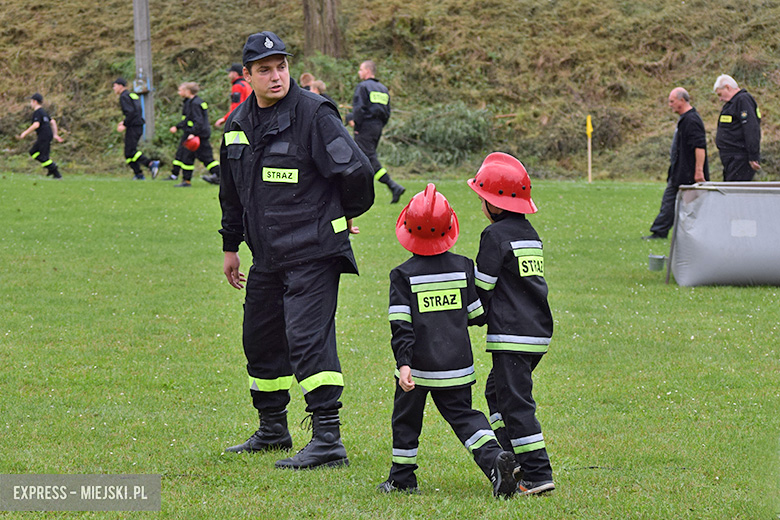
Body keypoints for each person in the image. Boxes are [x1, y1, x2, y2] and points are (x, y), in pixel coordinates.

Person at [219, 31, 375, 470]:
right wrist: (231, 246)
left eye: (281, 66)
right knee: (261, 340)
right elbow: (231, 194)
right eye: (265, 69)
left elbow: (357, 173)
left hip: (314, 251)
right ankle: (273, 430)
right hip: (265, 256)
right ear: (247, 75)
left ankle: (328, 439)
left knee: (308, 340)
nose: (276, 76)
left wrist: (337, 217)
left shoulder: (313, 113)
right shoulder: (236, 126)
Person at [379, 183, 517, 498]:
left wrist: (403, 363)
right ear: (450, 227)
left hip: (417, 368)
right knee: (465, 417)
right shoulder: (463, 267)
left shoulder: (402, 275)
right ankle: (496, 460)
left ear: (407, 229)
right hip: (457, 367)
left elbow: (401, 324)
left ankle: (402, 479)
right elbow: (476, 314)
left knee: (406, 420)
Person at [468, 152, 555, 496]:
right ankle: (512, 457)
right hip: (536, 332)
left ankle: (536, 473)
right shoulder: (529, 233)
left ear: (494, 203)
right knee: (497, 392)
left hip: (512, 335)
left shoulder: (494, 235)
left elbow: (483, 288)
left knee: (516, 403)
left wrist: (469, 316)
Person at [643, 87, 709, 240]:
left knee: (690, 207)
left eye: (672, 101)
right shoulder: (685, 119)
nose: (669, 105)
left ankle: (665, 232)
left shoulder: (692, 120)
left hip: (689, 173)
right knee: (669, 202)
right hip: (679, 171)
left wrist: (699, 171)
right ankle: (660, 231)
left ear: (682, 100)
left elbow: (700, 147)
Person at [347, 60, 405, 203]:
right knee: (365, 158)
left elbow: (359, 109)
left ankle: (392, 186)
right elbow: (387, 112)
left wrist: (356, 124)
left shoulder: (363, 87)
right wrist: (379, 125)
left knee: (367, 158)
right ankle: (361, 191)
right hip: (377, 127)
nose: (359, 72)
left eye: (361, 69)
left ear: (367, 71)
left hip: (365, 127)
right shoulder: (383, 89)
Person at [166, 82, 221, 187]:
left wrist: (193, 133)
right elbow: (189, 119)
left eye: (181, 90)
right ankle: (186, 181)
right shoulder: (193, 102)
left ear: (188, 91)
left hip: (199, 136)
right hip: (198, 134)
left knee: (207, 159)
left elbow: (198, 122)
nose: (179, 92)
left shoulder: (195, 103)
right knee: (188, 157)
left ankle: (222, 176)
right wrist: (178, 127)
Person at [713, 74, 761, 182]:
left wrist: (753, 155)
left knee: (734, 194)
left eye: (720, 94)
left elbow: (751, 128)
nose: (720, 99)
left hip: (740, 158)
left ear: (728, 87)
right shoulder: (731, 104)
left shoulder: (743, 100)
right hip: (731, 159)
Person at [112, 78, 160, 180]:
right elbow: (137, 110)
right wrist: (126, 121)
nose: (114, 88)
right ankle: (138, 174)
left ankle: (150, 164)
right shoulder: (131, 95)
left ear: (120, 86)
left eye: (114, 86)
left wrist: (124, 124)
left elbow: (130, 112)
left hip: (133, 126)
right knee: (129, 152)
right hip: (137, 125)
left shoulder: (123, 96)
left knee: (130, 152)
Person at [17, 93, 63, 179]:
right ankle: (51, 169)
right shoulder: (43, 112)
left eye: (31, 101)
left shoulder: (37, 112)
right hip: (46, 135)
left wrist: (25, 133)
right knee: (33, 152)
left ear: (34, 101)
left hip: (44, 136)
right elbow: (53, 122)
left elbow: (36, 125)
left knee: (42, 156)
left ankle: (55, 171)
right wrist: (55, 134)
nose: (30, 103)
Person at [213, 64, 252, 129]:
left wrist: (224, 119)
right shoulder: (245, 84)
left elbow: (236, 107)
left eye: (230, 72)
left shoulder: (237, 86)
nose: (229, 75)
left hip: (241, 120)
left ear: (235, 73)